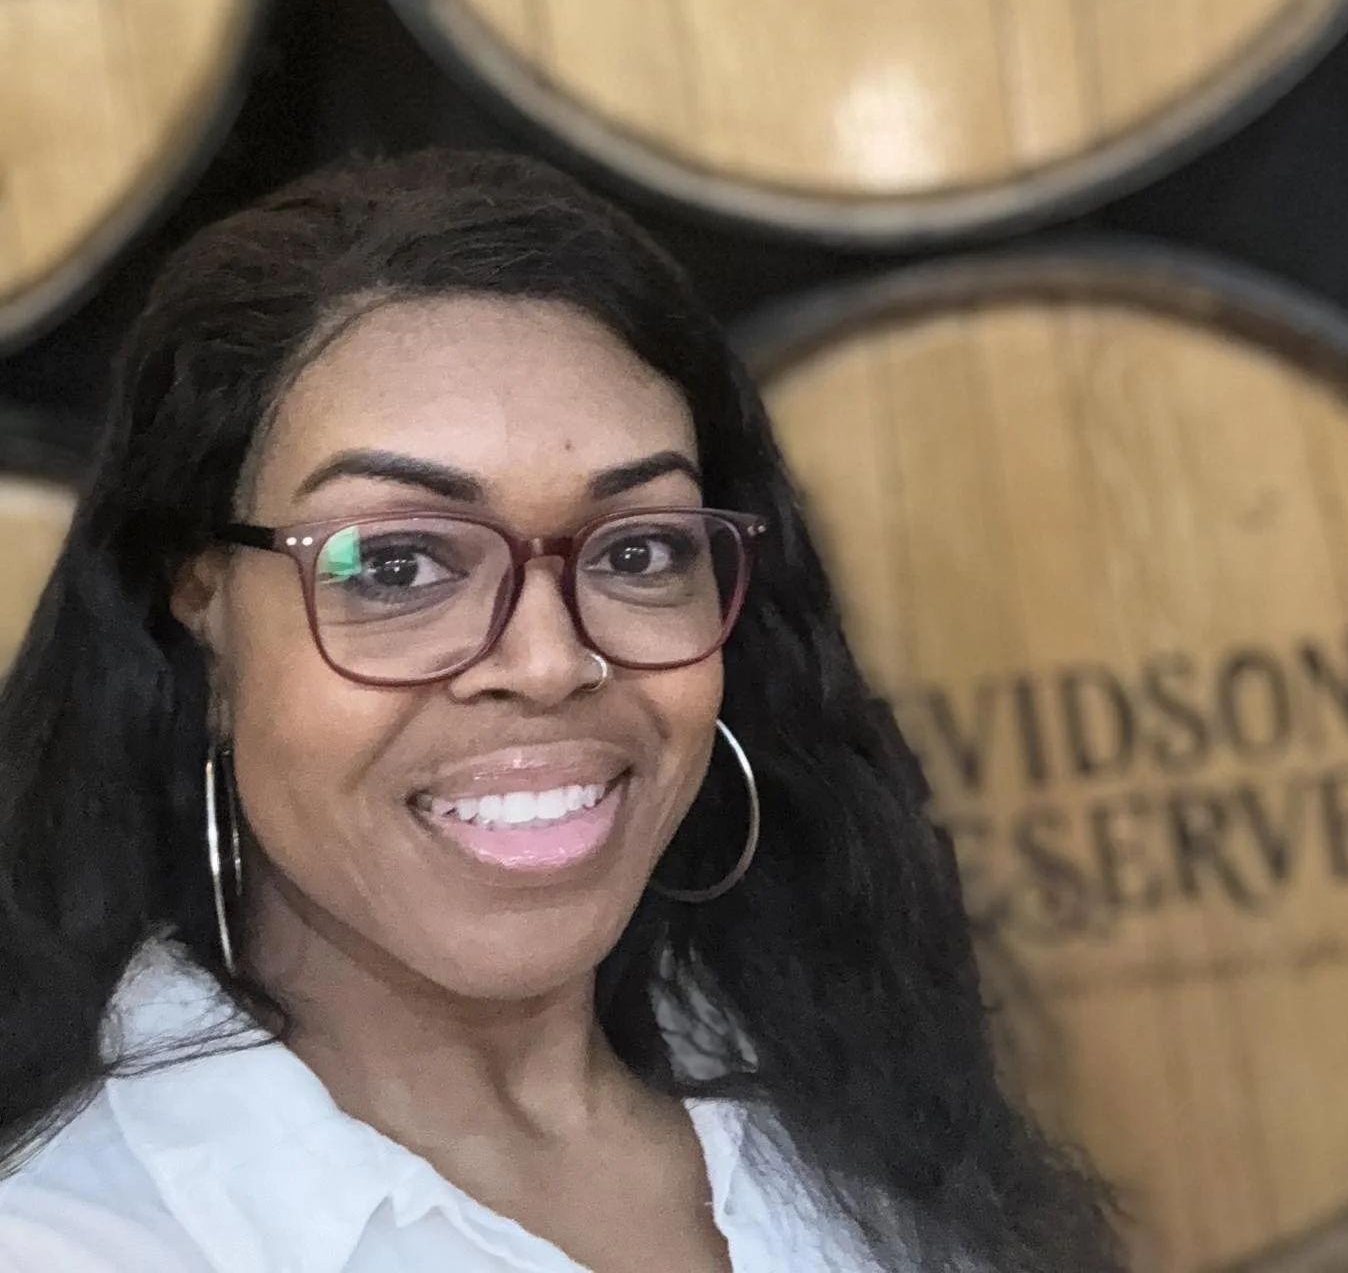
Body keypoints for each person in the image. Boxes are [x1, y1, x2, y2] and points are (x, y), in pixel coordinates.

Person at [0, 151, 1120, 1272]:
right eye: (395, 565)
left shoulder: (869, 1143)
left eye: (638, 549)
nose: (547, 659)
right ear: (196, 605)